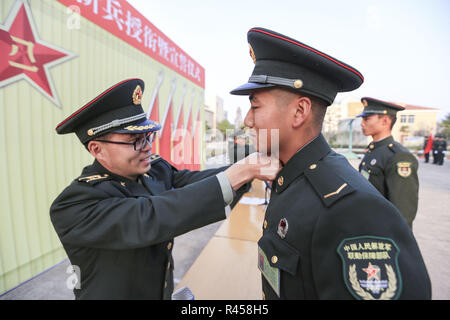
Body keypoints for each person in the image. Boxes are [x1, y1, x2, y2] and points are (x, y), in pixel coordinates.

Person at [230, 27, 431, 300]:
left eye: (255, 107)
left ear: (299, 112)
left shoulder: (351, 210)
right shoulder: (291, 178)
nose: (247, 121)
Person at [50, 78, 280, 300]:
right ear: (97, 149)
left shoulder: (153, 170)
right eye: (135, 140)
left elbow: (193, 183)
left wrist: (249, 167)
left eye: (148, 136)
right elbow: (151, 216)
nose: (148, 147)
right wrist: (241, 172)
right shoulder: (75, 205)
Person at [357, 97, 419, 228]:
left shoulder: (399, 157)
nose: (362, 123)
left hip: (382, 230)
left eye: (366, 119)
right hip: (368, 223)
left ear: (385, 121)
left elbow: (403, 210)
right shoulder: (373, 150)